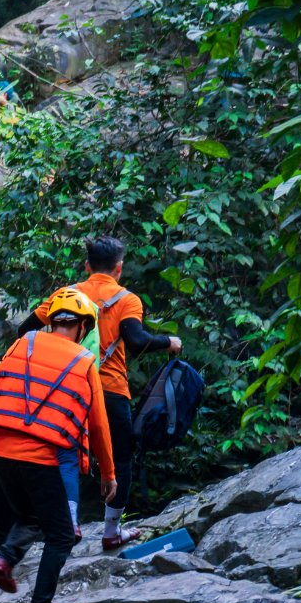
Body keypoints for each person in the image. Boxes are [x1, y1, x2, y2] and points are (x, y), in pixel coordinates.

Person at [0, 288, 117, 603]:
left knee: (32, 515)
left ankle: (5, 559)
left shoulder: (22, 344)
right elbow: (99, 422)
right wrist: (109, 474)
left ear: (52, 322)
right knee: (61, 535)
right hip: (41, 459)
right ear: (82, 327)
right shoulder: (84, 362)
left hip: (1, 454)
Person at [74, 235, 182, 552]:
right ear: (119, 268)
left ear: (86, 266)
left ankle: (68, 524)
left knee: (68, 457)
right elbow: (136, 340)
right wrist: (169, 342)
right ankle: (111, 532)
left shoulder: (68, 295)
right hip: (109, 390)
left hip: (69, 389)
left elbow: (26, 328)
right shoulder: (126, 300)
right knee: (121, 457)